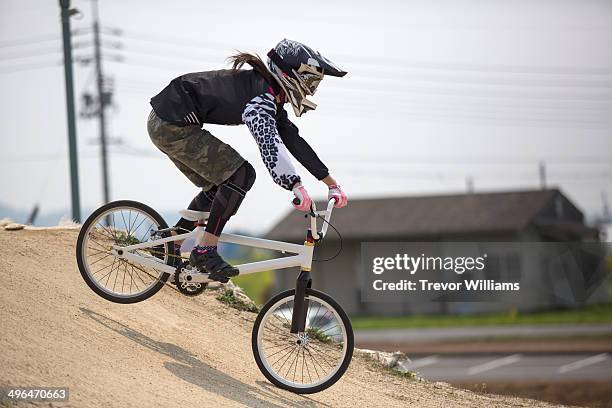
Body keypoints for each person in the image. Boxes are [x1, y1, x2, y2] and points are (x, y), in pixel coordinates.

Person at [147, 39, 348, 283]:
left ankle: (168, 245)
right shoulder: (261, 99)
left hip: (167, 120)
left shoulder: (266, 92)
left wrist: (331, 183)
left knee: (219, 185)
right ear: (290, 74)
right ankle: (205, 250)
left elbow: (294, 142)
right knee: (241, 174)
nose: (310, 89)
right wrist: (294, 184)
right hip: (171, 123)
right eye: (309, 81)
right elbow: (269, 145)